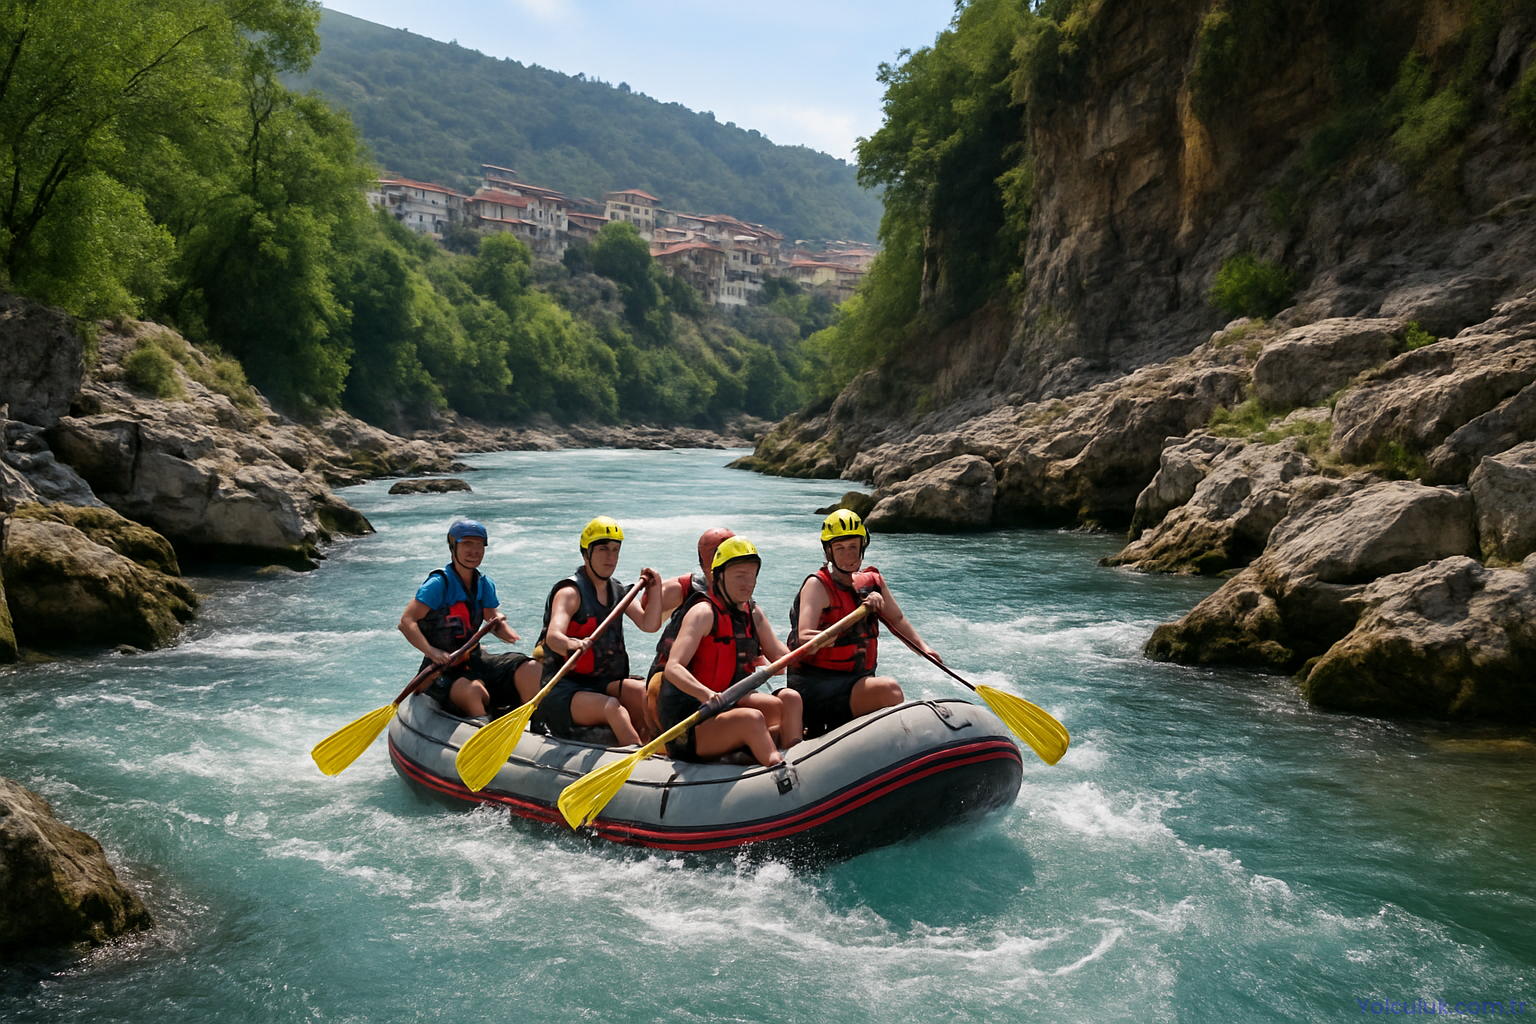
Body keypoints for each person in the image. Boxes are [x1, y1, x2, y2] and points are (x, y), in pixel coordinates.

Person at [785, 509, 938, 738]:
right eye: (840, 549)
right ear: (829, 552)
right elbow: (804, 636)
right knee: (890, 690)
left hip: (857, 682)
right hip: (817, 687)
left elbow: (897, 620)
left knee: (885, 690)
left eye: (853, 548)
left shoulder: (872, 582)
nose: (848, 556)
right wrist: (835, 631)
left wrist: (923, 649)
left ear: (862, 548)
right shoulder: (818, 586)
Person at [660, 537, 803, 766]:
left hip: (728, 705)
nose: (748, 583)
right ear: (720, 577)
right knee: (752, 719)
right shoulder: (703, 613)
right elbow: (673, 668)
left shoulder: (753, 613)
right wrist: (706, 694)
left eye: (752, 575)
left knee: (789, 700)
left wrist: (813, 647)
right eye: (740, 576)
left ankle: (796, 754)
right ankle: (778, 770)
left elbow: (782, 658)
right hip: (691, 721)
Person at [398, 518, 541, 723]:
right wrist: (432, 652)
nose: (474, 551)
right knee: (474, 692)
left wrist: (501, 625)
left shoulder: (483, 583)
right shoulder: (439, 584)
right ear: (453, 547)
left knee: (531, 668)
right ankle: (481, 729)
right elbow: (406, 622)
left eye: (479, 545)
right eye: (467, 544)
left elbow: (492, 619)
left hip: (474, 660)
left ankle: (533, 722)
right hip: (441, 669)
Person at [535, 516, 662, 745]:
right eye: (603, 549)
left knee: (645, 694)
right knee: (612, 707)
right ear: (586, 553)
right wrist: (572, 644)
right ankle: (638, 762)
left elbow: (649, 624)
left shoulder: (619, 591)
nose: (610, 557)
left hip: (602, 684)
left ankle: (664, 750)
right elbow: (553, 637)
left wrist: (656, 589)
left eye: (615, 550)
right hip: (564, 690)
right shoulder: (570, 592)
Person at [642, 526, 736, 736]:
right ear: (705, 563)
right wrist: (655, 587)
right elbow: (647, 607)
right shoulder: (688, 587)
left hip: (719, 680)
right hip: (677, 679)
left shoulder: (742, 598)